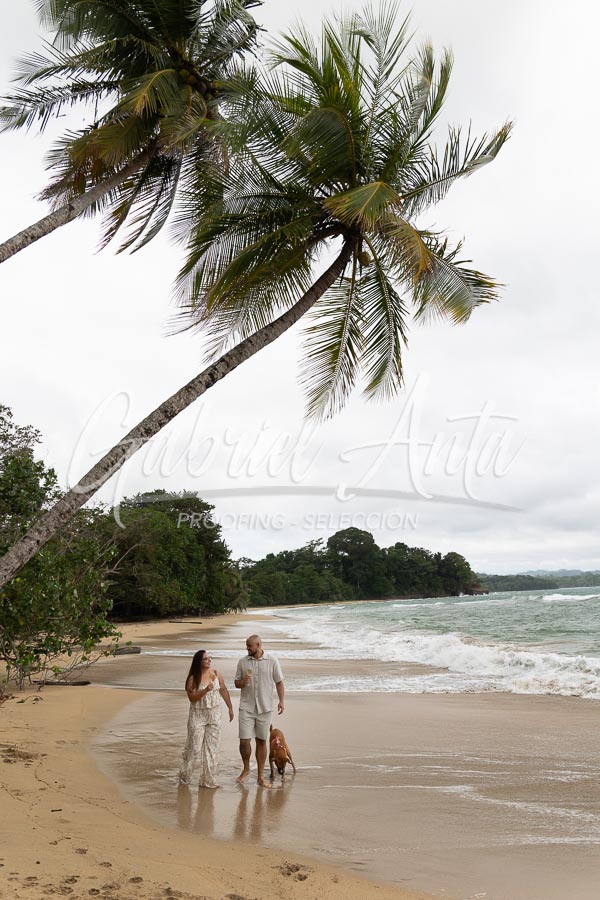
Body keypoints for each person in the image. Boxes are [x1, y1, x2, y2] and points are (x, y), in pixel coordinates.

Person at [234, 634, 284, 788]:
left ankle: (261, 776)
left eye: (249, 646)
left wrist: (281, 701)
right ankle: (246, 768)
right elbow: (236, 683)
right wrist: (242, 682)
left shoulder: (272, 661)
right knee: (244, 741)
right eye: (246, 646)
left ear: (258, 645)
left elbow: (279, 682)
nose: (247, 648)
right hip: (246, 706)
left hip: (265, 707)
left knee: (261, 741)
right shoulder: (242, 662)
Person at [179, 649, 234, 788]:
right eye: (206, 658)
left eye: (210, 658)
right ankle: (184, 777)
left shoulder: (215, 673)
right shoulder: (193, 678)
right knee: (195, 748)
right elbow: (192, 698)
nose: (209, 660)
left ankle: (208, 781)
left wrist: (230, 707)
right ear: (199, 662)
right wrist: (205, 690)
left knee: (212, 748)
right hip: (198, 715)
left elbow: (223, 689)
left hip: (214, 714)